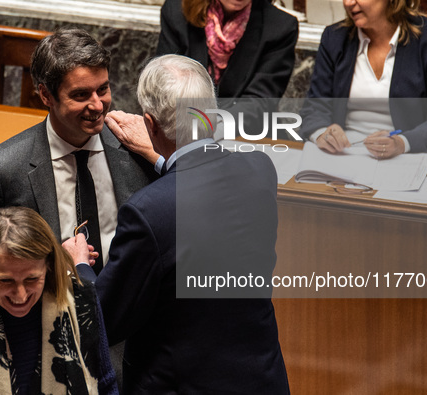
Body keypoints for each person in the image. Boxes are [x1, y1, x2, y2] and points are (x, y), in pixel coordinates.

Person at [72, 54, 290, 393]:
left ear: (150, 123)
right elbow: (200, 188)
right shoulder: (260, 171)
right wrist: (163, 158)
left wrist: (80, 267)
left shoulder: (148, 212)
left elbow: (103, 321)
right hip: (260, 379)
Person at [0, 28, 158, 275]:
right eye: (80, 95)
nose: (98, 105)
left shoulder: (138, 149)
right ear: (46, 95)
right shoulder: (3, 168)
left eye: (102, 89)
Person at [0, 206, 117, 394]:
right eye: (5, 281)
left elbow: (105, 384)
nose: (20, 295)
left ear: (49, 267)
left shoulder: (82, 302)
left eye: (32, 279)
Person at [301, 0, 427, 159]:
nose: (349, 3)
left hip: (411, 156)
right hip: (345, 156)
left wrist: (402, 143)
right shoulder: (334, 37)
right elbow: (315, 107)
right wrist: (322, 133)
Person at [157, 0, 298, 100]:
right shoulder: (176, 11)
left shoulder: (280, 27)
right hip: (181, 124)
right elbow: (164, 84)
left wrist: (212, 127)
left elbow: (261, 100)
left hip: (245, 131)